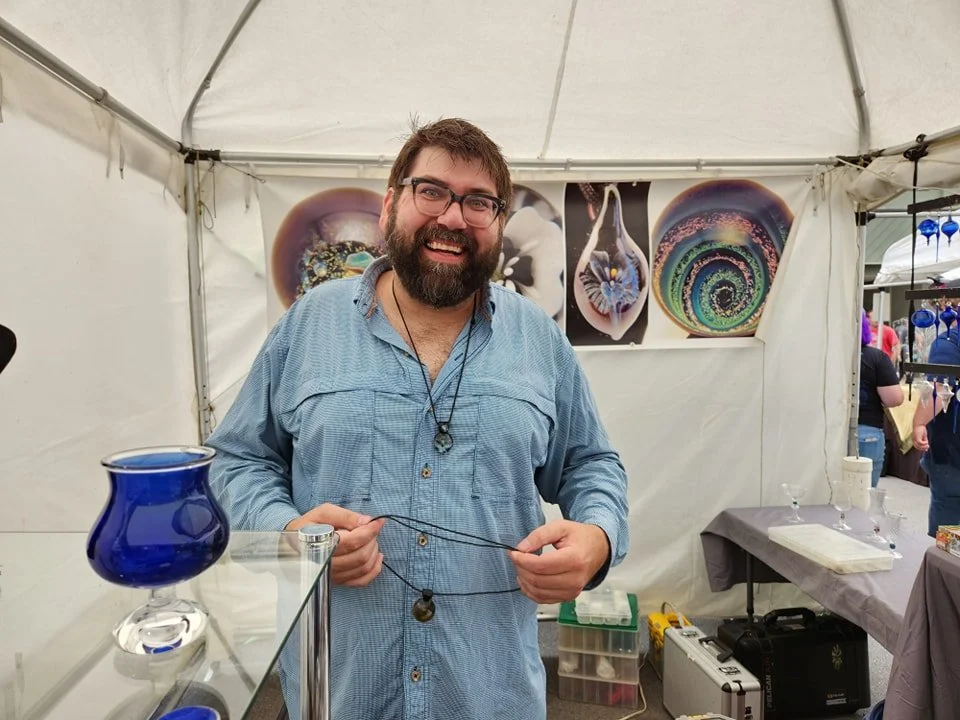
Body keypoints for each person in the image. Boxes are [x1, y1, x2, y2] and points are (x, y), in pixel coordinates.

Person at [207, 118, 629, 720]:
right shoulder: (308, 326)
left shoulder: (538, 341)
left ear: (499, 223)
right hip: (338, 692)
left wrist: (597, 538)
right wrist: (285, 532)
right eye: (430, 191)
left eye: (478, 202)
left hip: (489, 696)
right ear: (390, 203)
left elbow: (592, 464)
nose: (453, 217)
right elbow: (238, 459)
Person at [912, 318, 960, 537]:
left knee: (947, 544)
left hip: (951, 455)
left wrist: (919, 422)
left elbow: (940, 388)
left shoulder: (949, 341)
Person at [859, 310, 903, 487]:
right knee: (864, 496)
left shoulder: (823, 357)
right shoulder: (875, 358)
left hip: (826, 431)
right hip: (866, 431)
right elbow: (894, 399)